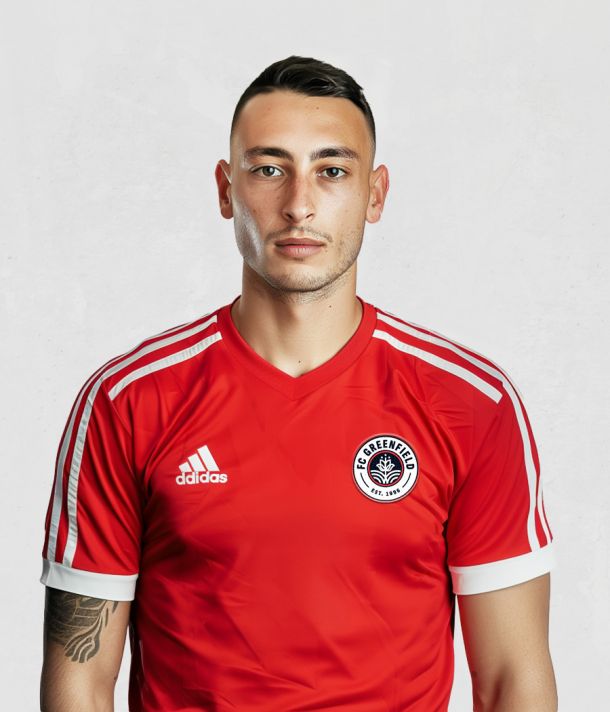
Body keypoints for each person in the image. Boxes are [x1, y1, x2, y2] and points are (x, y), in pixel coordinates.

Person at [40, 55, 558, 711]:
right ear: (225, 189)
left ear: (375, 194)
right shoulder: (129, 401)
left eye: (332, 171)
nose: (299, 204)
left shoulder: (472, 403)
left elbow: (513, 676)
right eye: (269, 169)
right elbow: (81, 677)